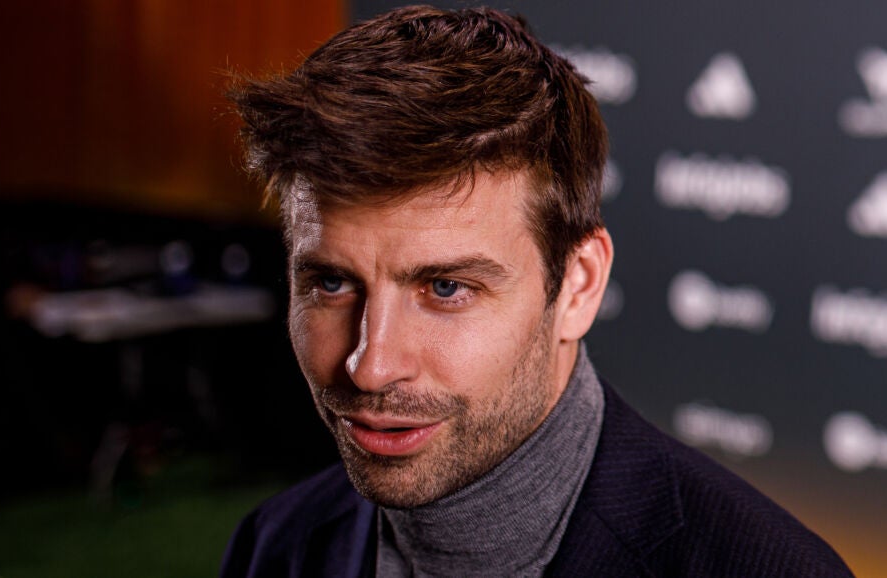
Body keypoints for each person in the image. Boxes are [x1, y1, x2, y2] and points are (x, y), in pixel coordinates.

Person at [220, 5, 854, 577]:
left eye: (446, 287)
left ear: (578, 286)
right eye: (331, 282)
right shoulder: (274, 545)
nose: (370, 366)